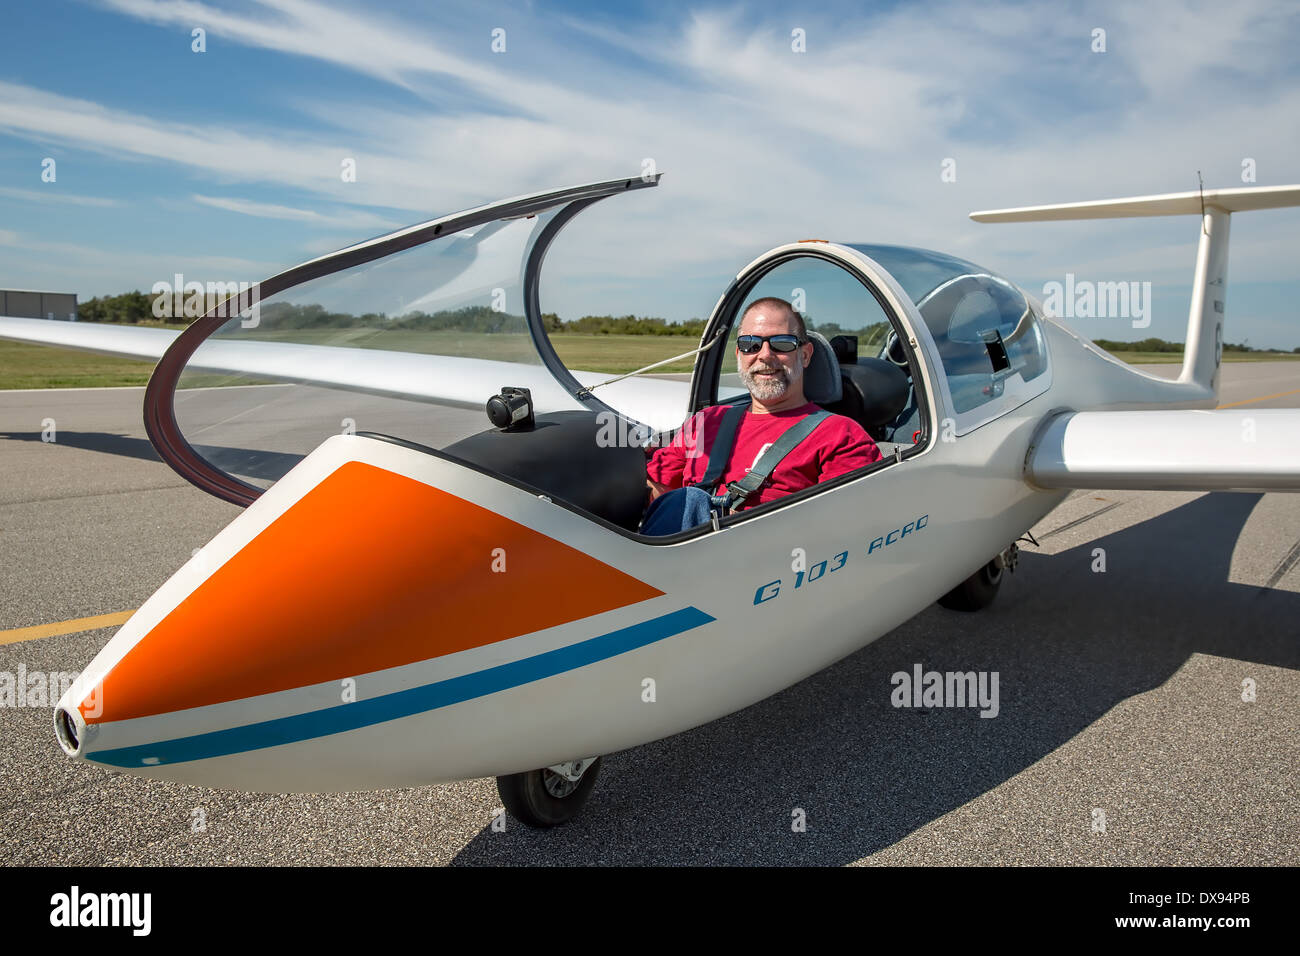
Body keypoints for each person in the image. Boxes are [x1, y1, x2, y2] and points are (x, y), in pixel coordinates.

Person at [641, 297, 881, 535]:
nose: (765, 355)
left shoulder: (841, 435)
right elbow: (651, 493)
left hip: (764, 563)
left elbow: (845, 532)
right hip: (667, 559)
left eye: (782, 343)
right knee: (687, 500)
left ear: (805, 355)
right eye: (751, 344)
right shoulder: (705, 422)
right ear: (739, 354)